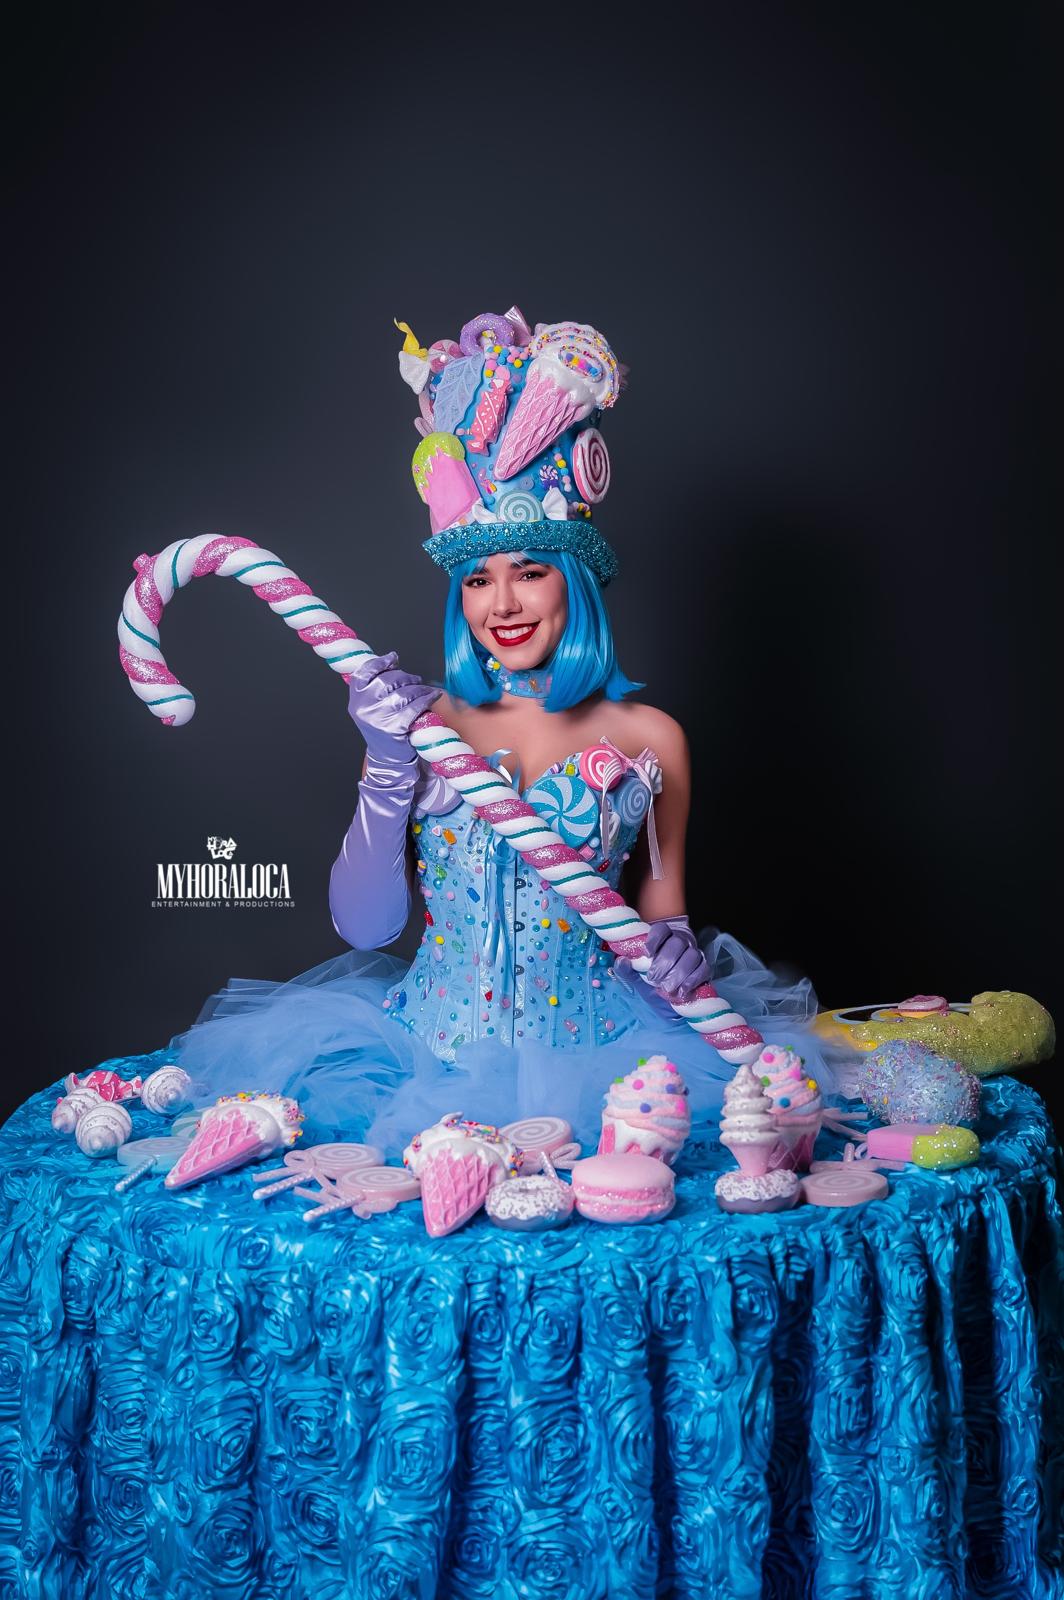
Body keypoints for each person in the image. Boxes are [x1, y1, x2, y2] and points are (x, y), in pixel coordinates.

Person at [172, 309, 825, 1153]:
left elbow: (659, 922)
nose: (503, 603)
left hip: (604, 1061)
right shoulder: (423, 725)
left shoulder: (653, 739)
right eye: (477, 580)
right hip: (421, 1064)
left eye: (530, 571)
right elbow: (365, 929)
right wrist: (385, 761)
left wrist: (673, 957)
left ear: (573, 580)